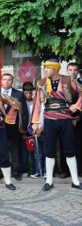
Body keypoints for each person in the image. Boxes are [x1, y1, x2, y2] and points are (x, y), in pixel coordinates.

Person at [32, 59, 82, 191]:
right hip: (49, 120)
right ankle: (49, 181)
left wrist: (76, 106)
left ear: (55, 69)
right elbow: (37, 103)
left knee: (70, 150)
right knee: (49, 151)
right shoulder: (41, 83)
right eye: (45, 68)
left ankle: (75, 181)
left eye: (47, 68)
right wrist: (35, 123)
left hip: (66, 120)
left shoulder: (67, 80)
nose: (45, 70)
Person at [0, 73, 28, 180]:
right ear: (1, 81)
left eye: (9, 80)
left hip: (14, 127)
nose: (7, 81)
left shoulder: (18, 94)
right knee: (0, 150)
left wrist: (23, 128)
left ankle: (16, 171)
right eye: (4, 79)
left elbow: (24, 112)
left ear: (12, 82)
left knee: (15, 150)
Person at [22, 82, 45, 179]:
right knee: (37, 153)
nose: (33, 96)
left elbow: (47, 119)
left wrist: (41, 129)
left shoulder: (46, 105)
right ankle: (38, 171)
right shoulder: (32, 106)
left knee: (47, 152)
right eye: (34, 94)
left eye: (37, 94)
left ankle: (47, 172)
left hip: (44, 131)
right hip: (35, 132)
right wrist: (32, 130)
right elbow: (31, 120)